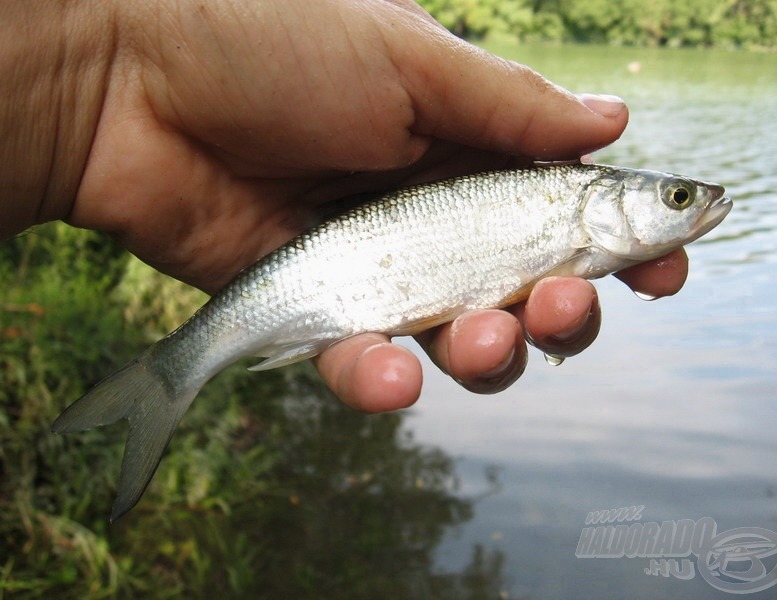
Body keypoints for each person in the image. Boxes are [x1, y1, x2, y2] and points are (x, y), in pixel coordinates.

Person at [1, 0, 688, 413]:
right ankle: (171, 374)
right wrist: (109, 58)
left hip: (331, 255)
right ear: (611, 204)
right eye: (676, 199)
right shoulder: (571, 200)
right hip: (331, 254)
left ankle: (170, 375)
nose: (689, 205)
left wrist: (99, 67)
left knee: (517, 329)